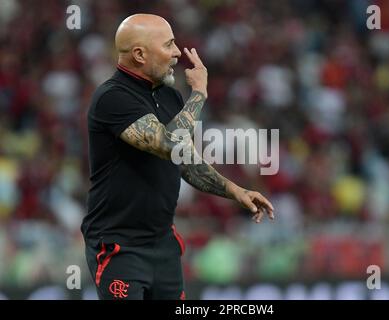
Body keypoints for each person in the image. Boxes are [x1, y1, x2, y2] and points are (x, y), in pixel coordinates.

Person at [81, 13, 274, 300]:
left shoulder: (170, 97)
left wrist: (236, 190)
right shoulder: (112, 97)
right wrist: (199, 93)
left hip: (163, 244)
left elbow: (184, 159)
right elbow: (168, 144)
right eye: (169, 45)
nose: (176, 53)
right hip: (120, 246)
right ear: (139, 54)